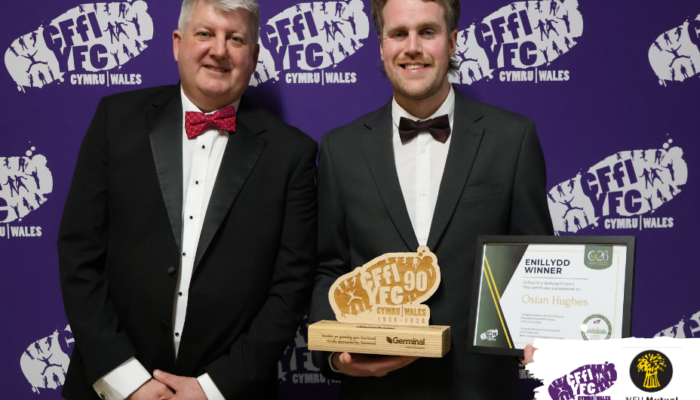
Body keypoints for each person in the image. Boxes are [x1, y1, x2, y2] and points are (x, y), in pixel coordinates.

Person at [57, 0, 317, 399]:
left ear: (254, 56)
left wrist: (211, 390)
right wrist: (128, 382)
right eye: (205, 34)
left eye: (235, 39)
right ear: (178, 43)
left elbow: (291, 290)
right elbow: (79, 255)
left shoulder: (292, 154)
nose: (219, 50)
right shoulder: (115, 120)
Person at [309, 0, 552, 398]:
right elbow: (328, 269)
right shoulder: (340, 148)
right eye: (398, 34)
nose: (412, 47)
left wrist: (544, 337)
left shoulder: (512, 139)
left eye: (427, 32)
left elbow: (537, 263)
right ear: (381, 45)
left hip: (480, 390)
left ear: (452, 41)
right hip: (377, 391)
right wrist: (335, 355)